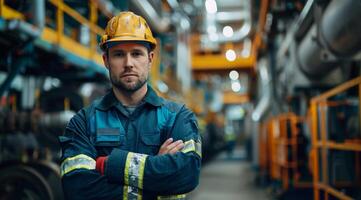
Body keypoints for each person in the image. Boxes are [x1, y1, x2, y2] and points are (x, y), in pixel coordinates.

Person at [58, 11, 201, 200]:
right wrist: (156, 170)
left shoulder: (177, 117)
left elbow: (185, 175)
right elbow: (77, 188)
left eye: (136, 54)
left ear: (150, 59)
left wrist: (108, 165)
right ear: (106, 60)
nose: (128, 63)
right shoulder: (83, 122)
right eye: (118, 54)